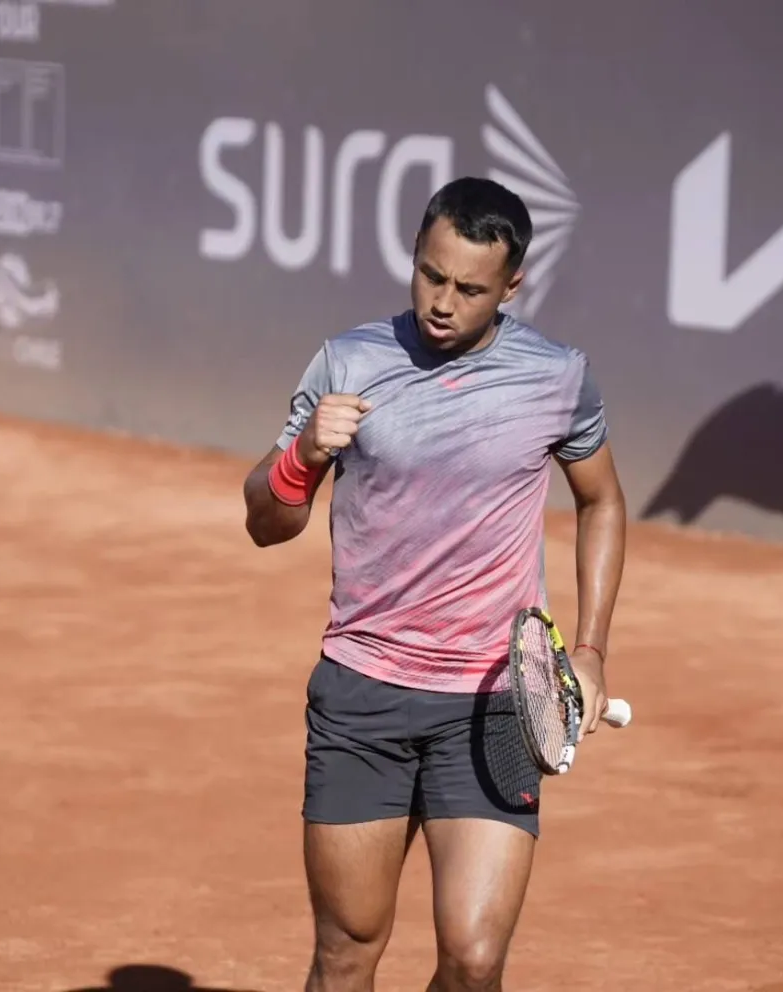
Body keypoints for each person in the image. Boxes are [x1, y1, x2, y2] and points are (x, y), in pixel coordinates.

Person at [242, 176, 627, 991]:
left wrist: (589, 650)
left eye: (469, 288)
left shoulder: (557, 377)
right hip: (363, 697)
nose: (442, 302)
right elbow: (265, 523)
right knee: (348, 951)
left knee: (475, 959)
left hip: (494, 706)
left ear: (512, 286)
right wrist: (302, 456)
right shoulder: (349, 360)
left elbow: (602, 502)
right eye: (430, 274)